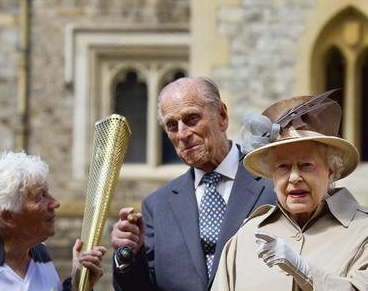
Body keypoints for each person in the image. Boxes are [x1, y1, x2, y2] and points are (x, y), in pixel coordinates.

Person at [212, 91, 368, 290]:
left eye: (306, 165)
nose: (294, 178)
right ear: (272, 176)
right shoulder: (246, 236)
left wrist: (305, 271)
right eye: (283, 167)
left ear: (331, 171)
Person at [111, 77, 276, 291]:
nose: (183, 134)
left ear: (222, 116)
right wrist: (129, 255)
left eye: (191, 119)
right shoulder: (157, 206)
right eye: (172, 125)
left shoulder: (273, 184)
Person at [0, 151, 107, 290]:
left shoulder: (39, 254)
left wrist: (78, 285)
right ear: (8, 216)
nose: (55, 203)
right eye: (41, 196)